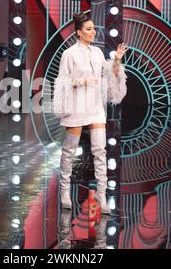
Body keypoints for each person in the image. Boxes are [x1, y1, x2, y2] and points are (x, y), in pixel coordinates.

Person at [53, 12, 127, 214]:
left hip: (95, 107)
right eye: (88, 29)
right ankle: (64, 192)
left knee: (100, 152)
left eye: (94, 28)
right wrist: (81, 82)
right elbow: (62, 82)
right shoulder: (69, 54)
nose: (93, 32)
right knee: (69, 151)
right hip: (76, 106)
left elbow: (108, 74)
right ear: (79, 32)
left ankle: (102, 196)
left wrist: (117, 61)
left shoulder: (96, 52)